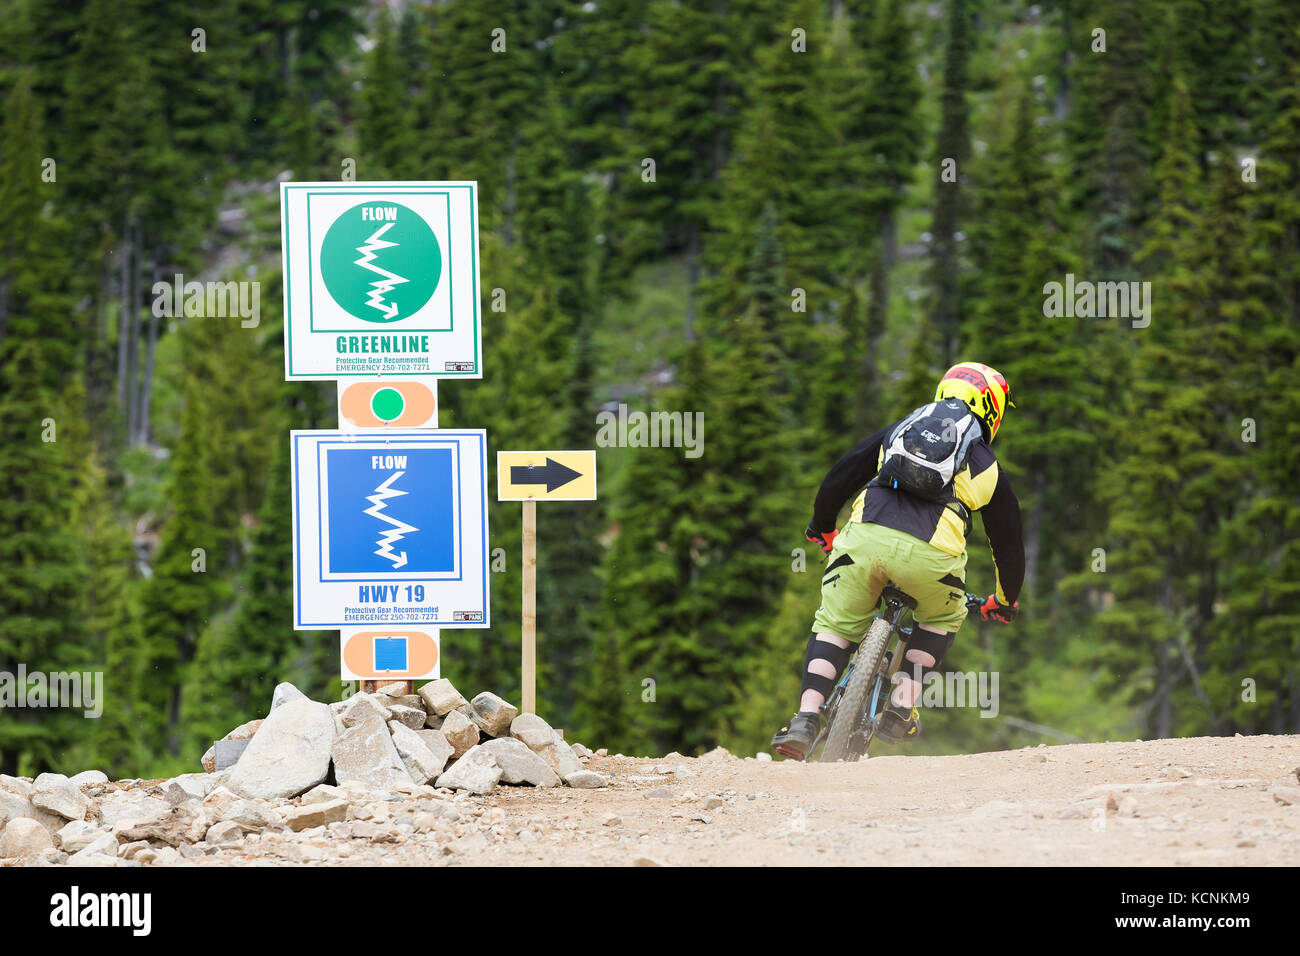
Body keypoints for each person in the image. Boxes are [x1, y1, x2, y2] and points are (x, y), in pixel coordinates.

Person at [772, 362, 1025, 759]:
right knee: (941, 619)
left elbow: (841, 475)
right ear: (992, 409)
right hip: (931, 564)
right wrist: (1005, 601)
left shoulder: (901, 430)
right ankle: (901, 708)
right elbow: (1008, 545)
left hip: (862, 544)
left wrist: (822, 527)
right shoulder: (987, 464)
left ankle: (805, 719)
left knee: (836, 627)